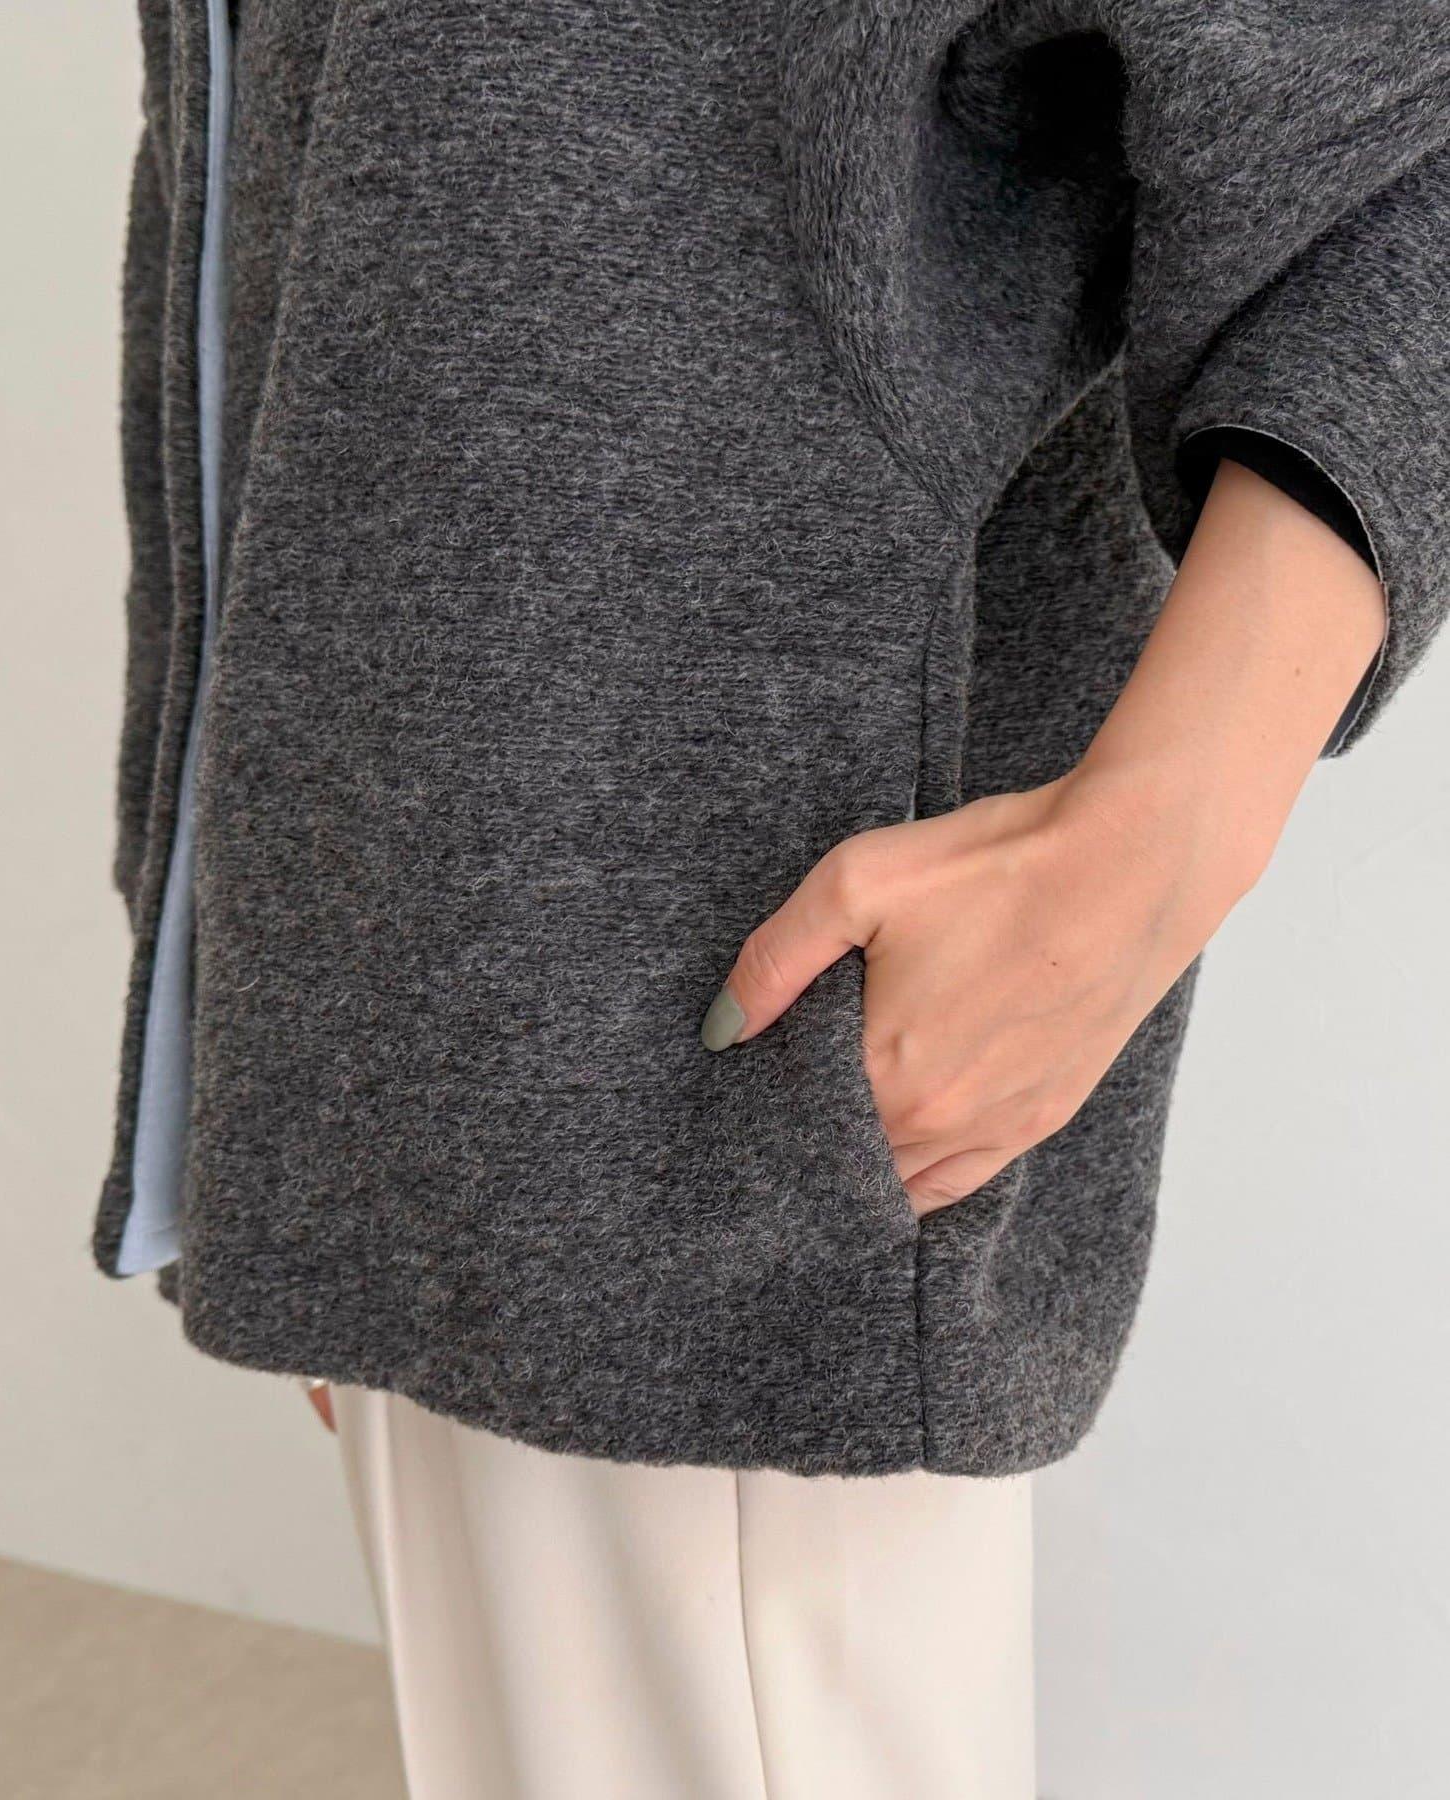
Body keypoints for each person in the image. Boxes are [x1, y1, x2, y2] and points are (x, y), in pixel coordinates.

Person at [97, 2, 1449, 1795]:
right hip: (440, 1046)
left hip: (738, 1099)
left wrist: (1155, 847)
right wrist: (309, 1049)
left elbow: (1410, 158)